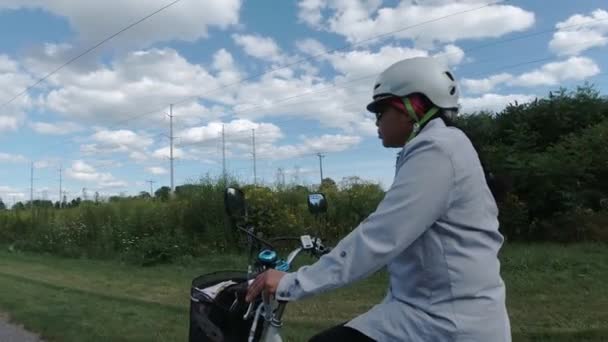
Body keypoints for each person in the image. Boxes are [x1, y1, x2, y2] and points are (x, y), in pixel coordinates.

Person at [246, 56, 512, 342]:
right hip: (422, 310)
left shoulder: (437, 151)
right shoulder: (442, 148)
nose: (376, 121)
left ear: (411, 108)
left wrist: (292, 282)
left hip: (446, 323)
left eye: (380, 110)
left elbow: (381, 236)